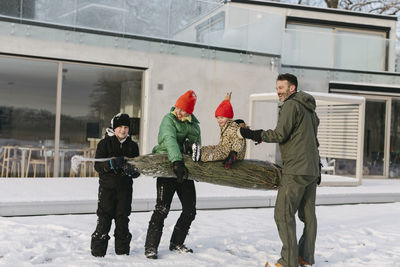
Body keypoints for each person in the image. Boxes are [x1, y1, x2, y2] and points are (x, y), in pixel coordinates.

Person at [239, 74, 320, 267]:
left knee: (282, 214)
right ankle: (305, 257)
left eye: (282, 88)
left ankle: (288, 261)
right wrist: (316, 166)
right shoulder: (309, 109)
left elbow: (280, 134)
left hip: (296, 168)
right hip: (311, 169)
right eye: (277, 87)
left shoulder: (291, 105)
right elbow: (312, 139)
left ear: (292, 88)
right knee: (308, 216)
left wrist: (253, 134)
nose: (278, 91)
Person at [144, 90, 201, 259]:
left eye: (183, 109)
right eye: (177, 107)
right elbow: (169, 139)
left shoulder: (195, 125)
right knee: (162, 209)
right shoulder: (168, 119)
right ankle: (150, 247)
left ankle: (177, 242)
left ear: (189, 111)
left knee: (190, 210)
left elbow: (197, 144)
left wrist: (193, 151)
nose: (178, 111)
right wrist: (177, 161)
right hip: (168, 166)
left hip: (185, 171)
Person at [90, 113, 140, 257]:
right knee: (104, 219)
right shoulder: (104, 144)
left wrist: (132, 171)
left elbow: (137, 171)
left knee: (122, 219)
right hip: (107, 189)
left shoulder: (132, 146)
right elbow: (98, 166)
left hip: (125, 190)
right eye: (120, 127)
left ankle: (122, 252)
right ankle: (98, 253)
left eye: (126, 127)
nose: (123, 130)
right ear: (114, 128)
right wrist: (112, 163)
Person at [192, 93, 246, 169]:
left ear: (228, 118)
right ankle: (198, 150)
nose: (219, 120)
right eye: (217, 118)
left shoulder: (233, 128)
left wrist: (233, 154)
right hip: (224, 147)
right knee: (212, 147)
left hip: (233, 153)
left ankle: (201, 156)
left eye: (221, 118)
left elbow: (238, 141)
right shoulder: (225, 126)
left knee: (216, 153)